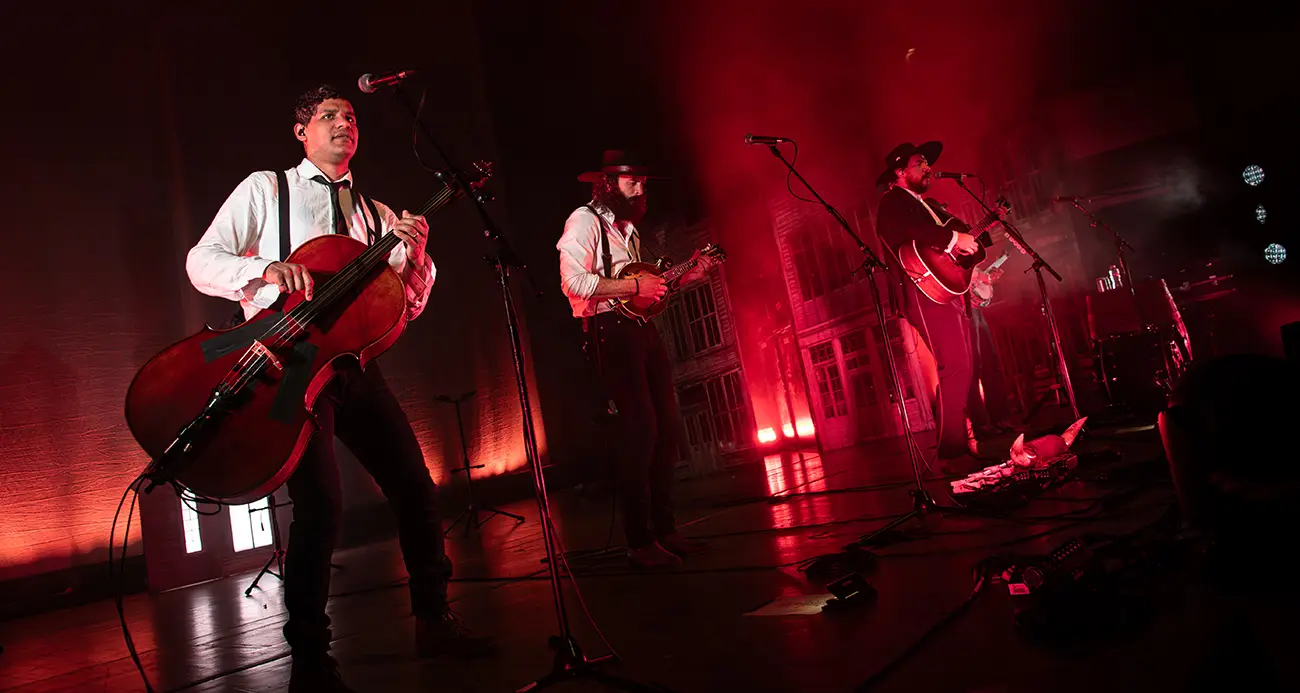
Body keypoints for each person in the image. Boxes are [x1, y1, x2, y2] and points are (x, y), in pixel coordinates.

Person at [185, 85, 491, 693]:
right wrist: (263, 269)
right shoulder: (266, 189)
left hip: (353, 365)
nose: (343, 124)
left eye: (350, 116)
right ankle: (310, 660)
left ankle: (433, 619)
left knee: (414, 486)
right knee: (322, 507)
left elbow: (402, 310)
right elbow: (202, 260)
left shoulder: (378, 215)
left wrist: (418, 262)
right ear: (301, 130)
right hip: (291, 363)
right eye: (328, 116)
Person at [556, 149, 717, 569]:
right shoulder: (585, 221)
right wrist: (632, 289)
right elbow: (573, 283)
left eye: (644, 181)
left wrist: (684, 279)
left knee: (667, 425)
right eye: (633, 182)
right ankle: (639, 540)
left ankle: (665, 530)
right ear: (609, 184)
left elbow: (646, 292)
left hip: (642, 331)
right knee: (640, 430)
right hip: (609, 332)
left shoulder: (629, 232)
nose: (641, 189)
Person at [874, 141, 991, 471]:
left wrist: (973, 244)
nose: (928, 167)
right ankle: (951, 451)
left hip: (946, 290)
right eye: (920, 162)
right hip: (922, 292)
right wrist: (952, 240)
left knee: (964, 365)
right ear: (900, 172)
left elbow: (960, 240)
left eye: (927, 162)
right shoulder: (893, 202)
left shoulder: (931, 206)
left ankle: (958, 443)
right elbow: (905, 232)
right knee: (954, 365)